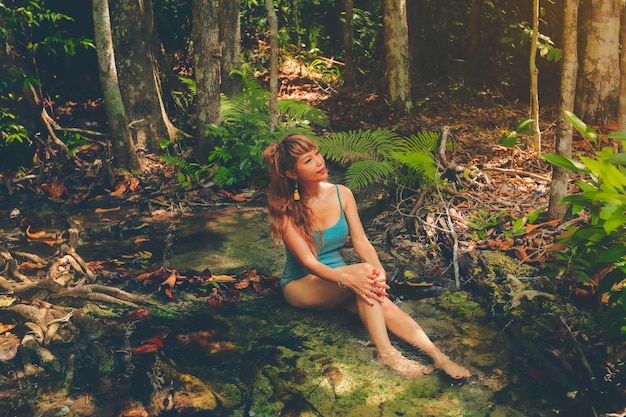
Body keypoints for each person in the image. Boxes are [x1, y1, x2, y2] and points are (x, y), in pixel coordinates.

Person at [262, 133, 470, 379]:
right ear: (292, 174)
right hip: (302, 285)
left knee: (381, 300)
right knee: (364, 275)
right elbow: (309, 263)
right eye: (308, 160)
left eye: (317, 153)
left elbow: (361, 242)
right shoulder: (286, 210)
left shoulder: (342, 194)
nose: (319, 161)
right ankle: (387, 353)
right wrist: (352, 278)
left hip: (342, 280)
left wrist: (378, 271)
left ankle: (439, 356)